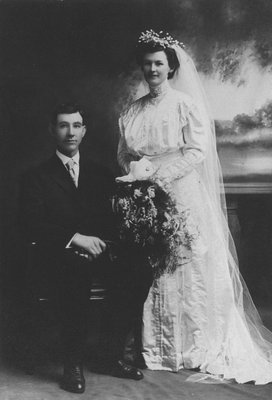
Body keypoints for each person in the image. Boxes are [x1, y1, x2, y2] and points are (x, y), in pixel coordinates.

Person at [117, 30, 272, 384]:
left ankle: (194, 347)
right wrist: (137, 175)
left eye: (159, 64)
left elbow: (196, 151)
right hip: (144, 196)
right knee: (152, 269)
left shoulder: (185, 105)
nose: (152, 69)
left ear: (170, 68)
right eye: (147, 64)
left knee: (188, 265)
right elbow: (124, 154)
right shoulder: (131, 112)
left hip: (182, 194)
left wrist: (160, 177)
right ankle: (155, 348)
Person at [20, 103, 153, 394]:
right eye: (63, 125)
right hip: (55, 252)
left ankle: (109, 354)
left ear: (84, 131)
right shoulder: (36, 176)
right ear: (52, 131)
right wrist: (73, 238)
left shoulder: (101, 173)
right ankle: (73, 362)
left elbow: (111, 220)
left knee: (139, 269)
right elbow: (31, 224)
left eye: (76, 125)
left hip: (98, 249)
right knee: (74, 272)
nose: (70, 132)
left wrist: (102, 243)